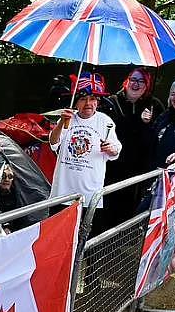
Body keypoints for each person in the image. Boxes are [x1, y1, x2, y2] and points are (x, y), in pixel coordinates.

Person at [48, 72, 122, 225]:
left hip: (90, 195)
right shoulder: (68, 119)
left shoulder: (104, 121)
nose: (88, 103)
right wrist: (61, 122)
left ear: (98, 101)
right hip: (62, 193)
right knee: (57, 237)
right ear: (76, 102)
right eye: (83, 99)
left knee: (84, 239)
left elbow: (116, 149)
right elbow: (53, 143)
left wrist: (111, 148)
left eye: (93, 99)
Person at [98, 67, 166, 229]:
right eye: (133, 79)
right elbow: (113, 129)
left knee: (131, 205)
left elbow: (159, 134)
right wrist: (138, 120)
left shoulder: (154, 105)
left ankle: (125, 235)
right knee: (108, 203)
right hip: (113, 165)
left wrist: (149, 124)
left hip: (140, 167)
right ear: (126, 81)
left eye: (141, 81)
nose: (136, 84)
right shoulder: (111, 102)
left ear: (147, 84)